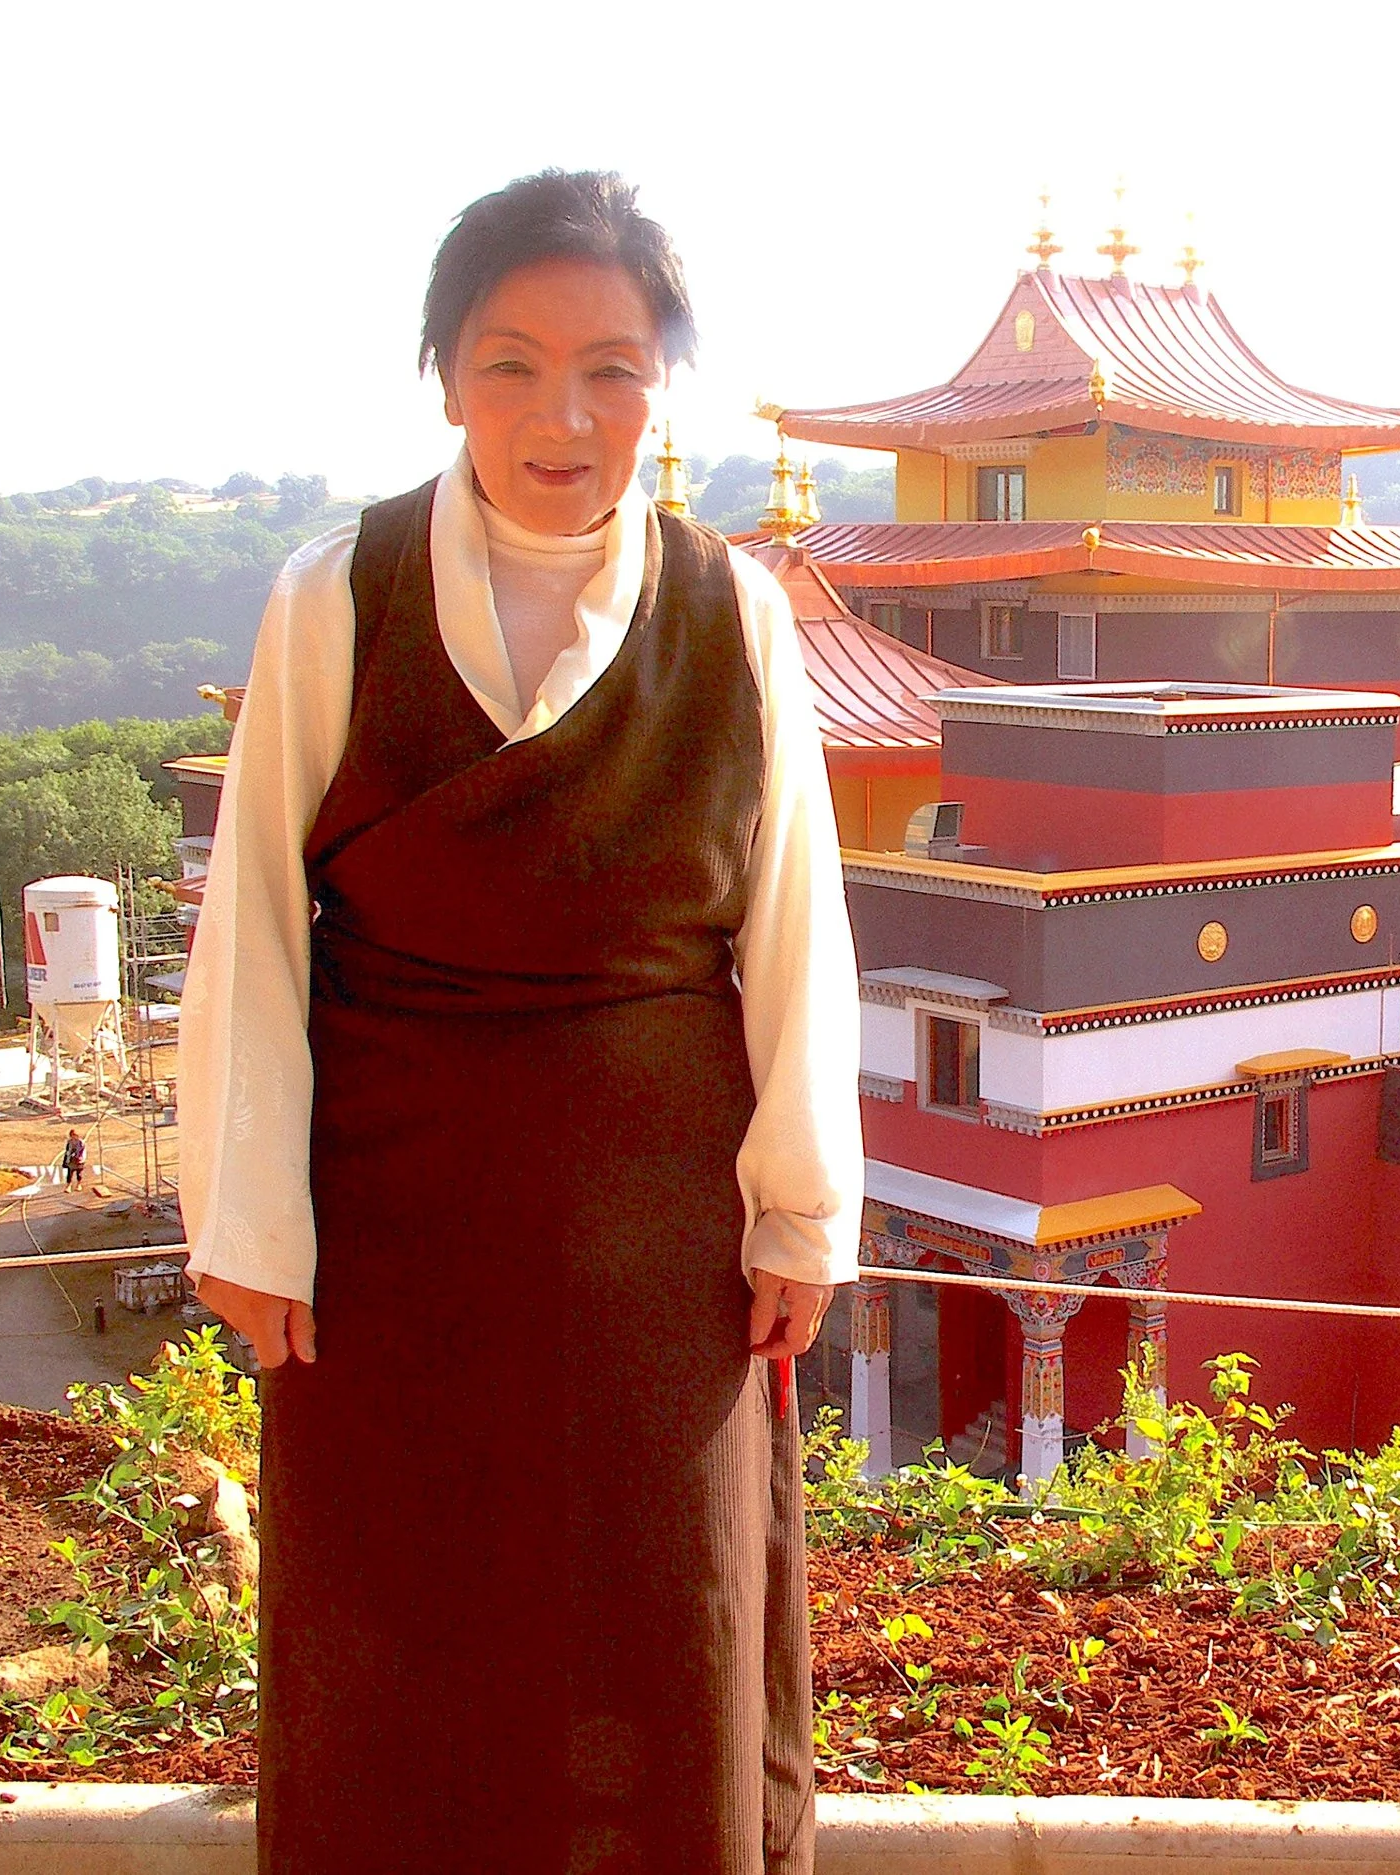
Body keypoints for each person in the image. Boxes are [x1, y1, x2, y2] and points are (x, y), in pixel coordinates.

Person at [177, 170, 862, 1875]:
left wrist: (798, 1207)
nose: (565, 415)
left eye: (613, 368)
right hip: (394, 1218)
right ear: (446, 375)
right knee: (398, 1636)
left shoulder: (738, 613)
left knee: (656, 1617)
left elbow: (793, 929)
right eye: (512, 363)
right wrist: (252, 1217)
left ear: (662, 384)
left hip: (658, 1244)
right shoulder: (336, 594)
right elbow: (256, 918)